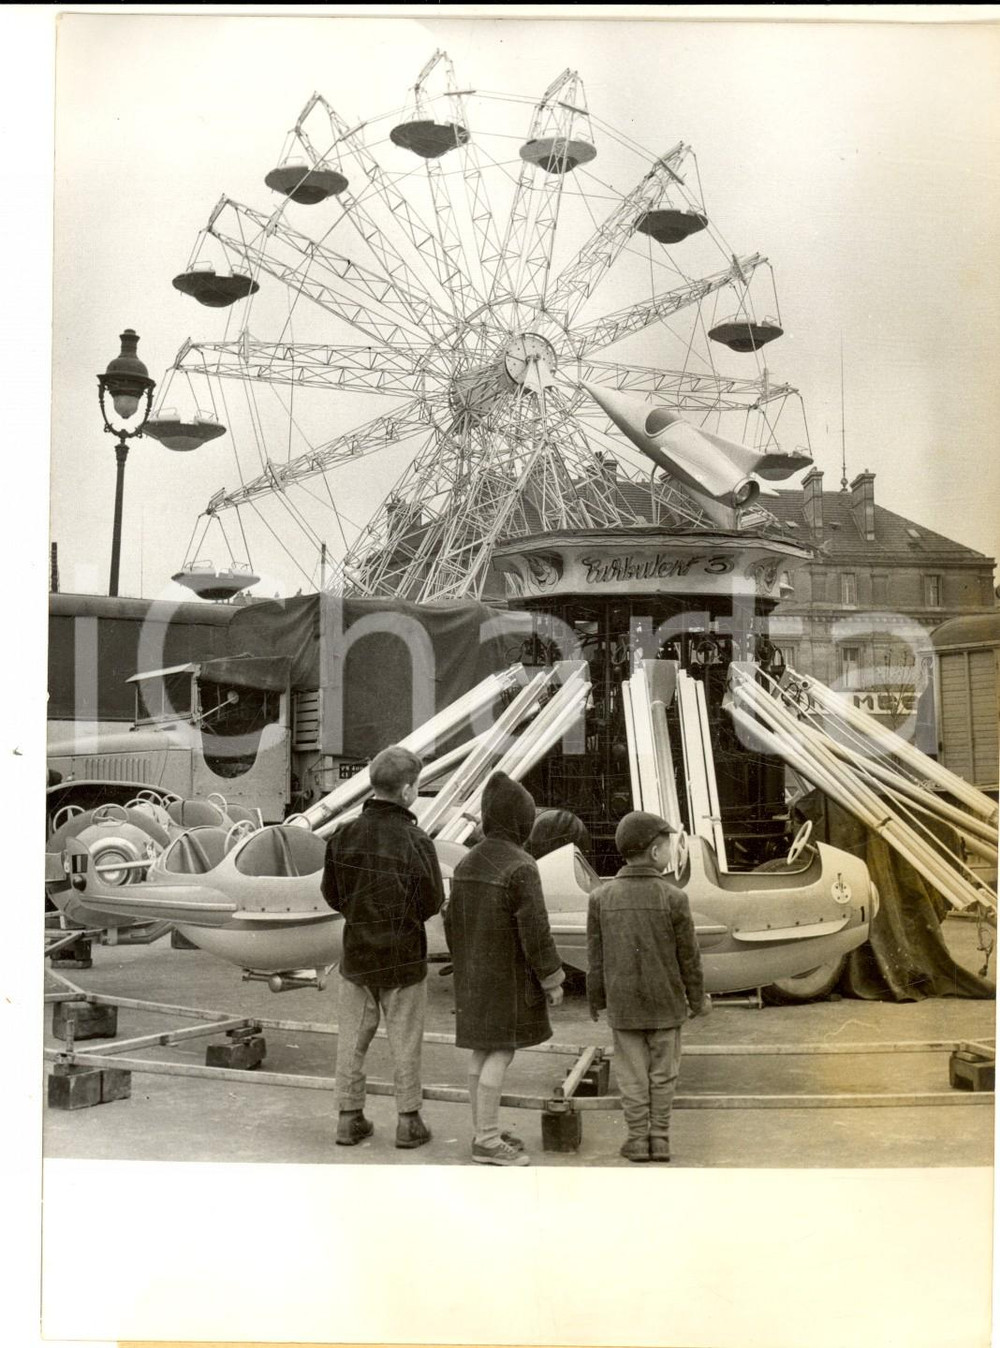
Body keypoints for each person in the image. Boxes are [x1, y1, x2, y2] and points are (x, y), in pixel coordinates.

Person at [321, 744, 444, 1150]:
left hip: (356, 955)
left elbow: (332, 895)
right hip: (404, 957)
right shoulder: (416, 840)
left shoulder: (343, 835)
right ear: (407, 790)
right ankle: (408, 1121)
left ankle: (348, 1117)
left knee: (351, 1040)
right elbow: (430, 901)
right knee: (405, 1042)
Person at [445, 772, 565, 1167]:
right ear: (522, 822)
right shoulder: (522, 866)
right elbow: (536, 930)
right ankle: (488, 1140)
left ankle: (484, 1129)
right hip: (507, 978)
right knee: (502, 1051)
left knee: (482, 1051)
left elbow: (450, 920)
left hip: (473, 974)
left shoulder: (466, 862)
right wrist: (552, 978)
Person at [587, 811, 710, 1164]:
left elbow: (595, 955)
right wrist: (697, 998)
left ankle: (638, 1140)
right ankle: (661, 1139)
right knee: (663, 1073)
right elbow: (689, 956)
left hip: (623, 1005)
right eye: (669, 846)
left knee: (632, 1075)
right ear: (655, 852)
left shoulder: (600, 898)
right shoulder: (674, 898)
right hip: (666, 1004)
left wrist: (597, 998)